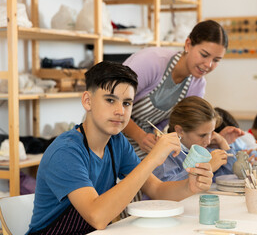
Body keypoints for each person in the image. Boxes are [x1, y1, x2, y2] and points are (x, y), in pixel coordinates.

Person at [27, 61, 213, 234]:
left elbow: (157, 190)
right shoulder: (66, 152)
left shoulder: (117, 142)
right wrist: (152, 159)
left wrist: (189, 186)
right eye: (110, 100)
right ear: (87, 101)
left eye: (127, 103)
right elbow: (97, 217)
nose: (120, 111)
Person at [122, 20, 242, 161]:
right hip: (111, 136)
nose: (208, 65)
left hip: (144, 144)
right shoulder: (151, 62)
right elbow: (114, 106)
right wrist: (139, 135)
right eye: (204, 55)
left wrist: (213, 138)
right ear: (188, 44)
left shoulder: (198, 85)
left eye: (216, 60)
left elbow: (182, 130)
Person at [153, 96, 239, 183]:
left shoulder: (204, 150)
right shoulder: (166, 154)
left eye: (212, 132)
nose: (208, 141)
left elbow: (229, 177)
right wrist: (207, 168)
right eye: (203, 135)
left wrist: (223, 143)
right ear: (180, 131)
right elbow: (166, 188)